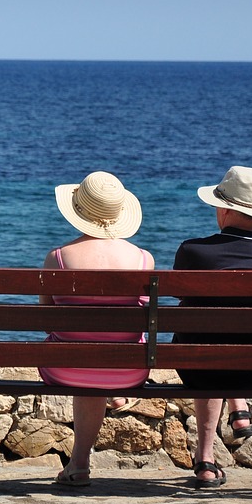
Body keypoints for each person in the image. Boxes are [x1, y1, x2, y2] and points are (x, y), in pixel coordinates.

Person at [173, 165, 252, 488]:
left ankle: (204, 458)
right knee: (231, 341)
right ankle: (238, 405)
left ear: (224, 209)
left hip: (197, 368)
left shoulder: (193, 252)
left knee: (204, 340)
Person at [40, 171, 153, 487]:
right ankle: (79, 462)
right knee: (98, 354)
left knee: (80, 353)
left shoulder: (58, 258)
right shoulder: (144, 260)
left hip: (65, 369)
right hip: (127, 372)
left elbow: (45, 320)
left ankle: (79, 464)